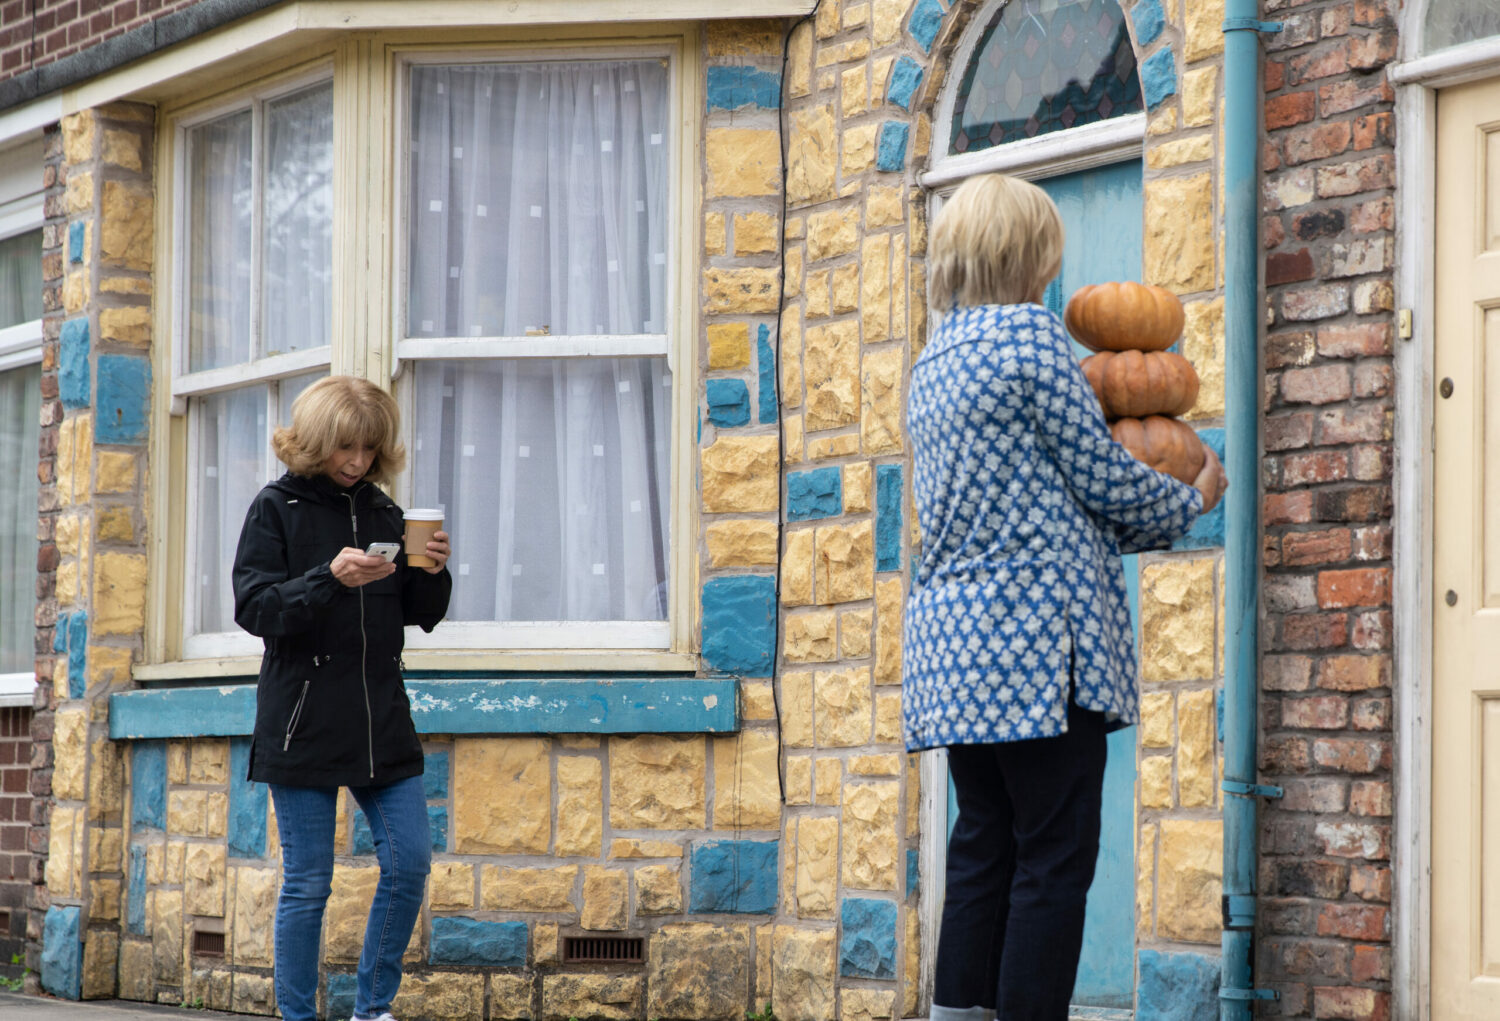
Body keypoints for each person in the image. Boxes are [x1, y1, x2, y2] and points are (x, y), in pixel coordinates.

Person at [902, 173, 1226, 1021]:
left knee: (982, 847)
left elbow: (1019, 496)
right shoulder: (1030, 340)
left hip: (954, 654)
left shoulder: (933, 361)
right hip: (1035, 650)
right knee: (1053, 855)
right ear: (1028, 252)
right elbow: (1102, 479)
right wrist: (1192, 494)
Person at [232, 375, 453, 1021]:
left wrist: (433, 571)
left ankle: (371, 1008)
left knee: (410, 862)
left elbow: (420, 613)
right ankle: (299, 1016)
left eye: (368, 447)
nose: (357, 460)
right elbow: (255, 607)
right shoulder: (275, 508)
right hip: (301, 721)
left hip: (381, 717)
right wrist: (328, 579)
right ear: (315, 442)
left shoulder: (387, 512)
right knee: (309, 883)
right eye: (344, 447)